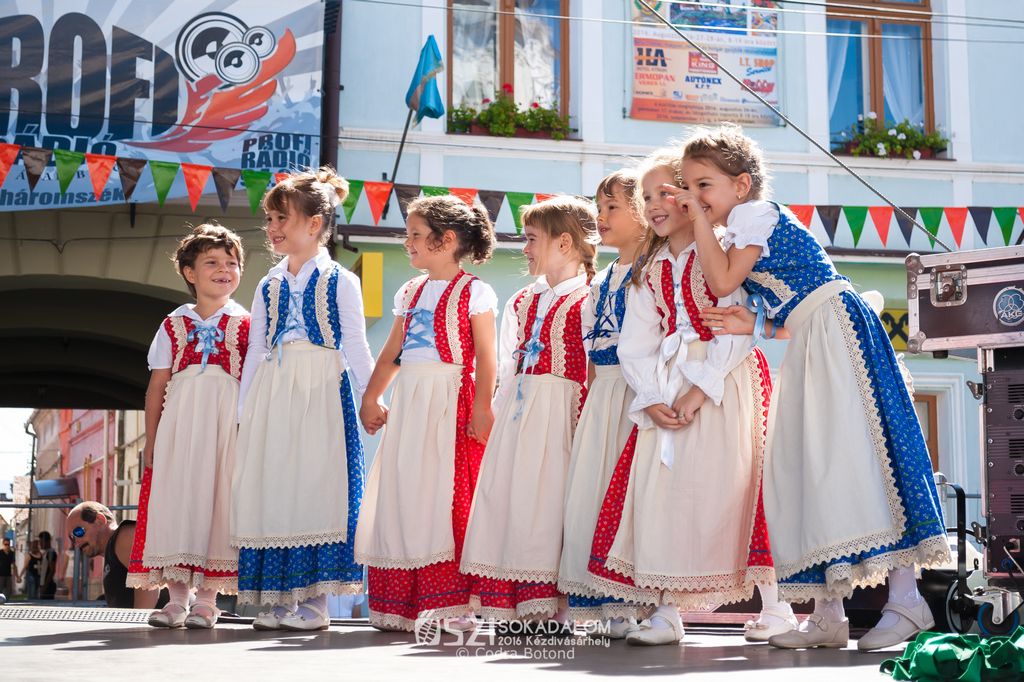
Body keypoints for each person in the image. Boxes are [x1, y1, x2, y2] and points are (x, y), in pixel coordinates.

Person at [679, 124, 949, 651]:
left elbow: (723, 280)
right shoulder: (737, 230)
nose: (695, 197)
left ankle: (906, 599)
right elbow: (789, 315)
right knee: (810, 465)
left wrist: (700, 223)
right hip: (812, 338)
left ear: (741, 184)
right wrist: (757, 325)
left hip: (837, 331)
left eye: (703, 185)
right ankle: (829, 611)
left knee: (859, 455)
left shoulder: (755, 214)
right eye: (688, 186)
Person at [583, 149, 781, 646]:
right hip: (669, 379)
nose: (653, 204)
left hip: (725, 379)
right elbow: (636, 341)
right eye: (646, 196)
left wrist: (702, 386)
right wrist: (650, 394)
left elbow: (736, 328)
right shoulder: (649, 268)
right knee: (664, 493)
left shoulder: (723, 250)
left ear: (692, 196)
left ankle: (776, 606)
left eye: (665, 193)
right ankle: (668, 611)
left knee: (742, 489)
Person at [232, 166, 374, 631]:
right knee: (277, 487)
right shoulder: (268, 284)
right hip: (275, 391)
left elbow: (356, 346)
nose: (272, 228)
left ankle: (314, 605)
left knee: (318, 487)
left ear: (314, 224)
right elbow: (257, 348)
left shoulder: (341, 280)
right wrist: (244, 410)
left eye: (282, 219)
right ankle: (280, 600)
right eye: (270, 219)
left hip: (322, 389)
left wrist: (372, 398)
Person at [355, 195, 498, 632]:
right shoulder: (410, 292)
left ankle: (452, 604)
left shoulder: (474, 291)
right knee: (405, 495)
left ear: (446, 240)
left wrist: (482, 407)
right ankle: (401, 605)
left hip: (450, 399)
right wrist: (372, 397)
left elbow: (487, 357)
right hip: (410, 403)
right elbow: (392, 354)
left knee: (446, 497)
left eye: (415, 235)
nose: (408, 243)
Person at [460, 195, 597, 632]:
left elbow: (594, 365)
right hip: (520, 413)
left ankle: (558, 606)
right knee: (515, 502)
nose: (525, 248)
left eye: (532, 239)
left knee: (553, 505)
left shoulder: (591, 298)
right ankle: (520, 605)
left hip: (562, 413)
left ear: (564, 243)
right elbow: (508, 364)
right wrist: (496, 414)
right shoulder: (522, 300)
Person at [126, 224, 250, 629]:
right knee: (176, 504)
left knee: (218, 505)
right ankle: (177, 599)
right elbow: (157, 386)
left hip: (224, 429)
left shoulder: (247, 324)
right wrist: (153, 440)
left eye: (231, 262)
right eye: (212, 262)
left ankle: (208, 601)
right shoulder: (172, 325)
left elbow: (253, 384)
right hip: (180, 427)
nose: (224, 269)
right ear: (190, 272)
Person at [558, 170, 648, 637]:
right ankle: (605, 603)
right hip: (604, 396)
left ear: (643, 212)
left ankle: (637, 602)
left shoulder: (651, 271)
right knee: (593, 495)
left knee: (630, 496)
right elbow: (594, 353)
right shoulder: (603, 280)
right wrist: (589, 405)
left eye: (612, 206)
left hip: (637, 394)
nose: (601, 216)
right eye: (599, 207)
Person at [65, 501, 167, 609]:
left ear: (100, 520)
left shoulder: (125, 537)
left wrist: (138, 619)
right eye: (72, 538)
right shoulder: (113, 550)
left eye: (78, 532)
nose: (76, 543)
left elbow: (149, 585)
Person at [37, 531, 58, 599]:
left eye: (41, 542)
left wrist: (45, 586)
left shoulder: (51, 553)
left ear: (47, 541)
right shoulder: (45, 553)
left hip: (48, 585)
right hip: (43, 583)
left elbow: (52, 570)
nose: (40, 544)